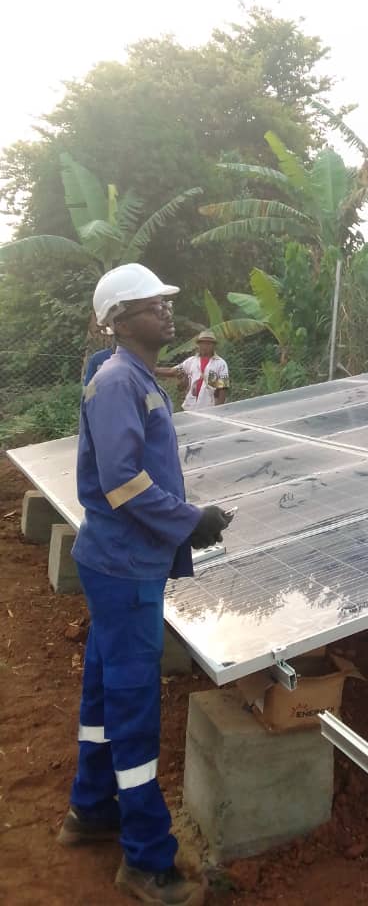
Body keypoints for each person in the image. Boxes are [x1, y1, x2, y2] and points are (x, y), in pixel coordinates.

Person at [58, 263, 232, 906]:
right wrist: (191, 521)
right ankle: (146, 859)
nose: (166, 310)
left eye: (164, 300)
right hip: (125, 567)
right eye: (151, 303)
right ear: (120, 319)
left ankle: (91, 808)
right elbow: (123, 482)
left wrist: (183, 524)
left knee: (105, 690)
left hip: (123, 560)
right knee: (133, 707)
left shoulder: (134, 377)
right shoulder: (116, 382)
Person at [156, 330, 229, 411]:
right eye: (202, 343)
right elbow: (172, 371)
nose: (205, 346)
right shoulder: (191, 361)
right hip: (190, 407)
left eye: (208, 343)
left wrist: (218, 409)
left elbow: (223, 388)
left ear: (213, 345)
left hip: (209, 407)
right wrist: (151, 369)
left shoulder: (220, 363)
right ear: (199, 344)